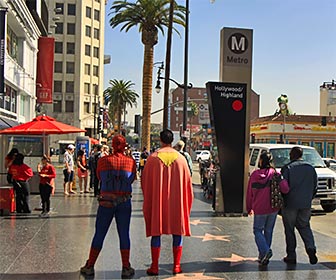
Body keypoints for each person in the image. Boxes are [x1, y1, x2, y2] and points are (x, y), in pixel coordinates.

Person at [80, 135, 137, 278]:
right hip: (124, 201)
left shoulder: (103, 161)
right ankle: (125, 266)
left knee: (99, 233)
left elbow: (99, 177)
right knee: (124, 233)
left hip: (106, 202)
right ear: (124, 146)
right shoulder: (130, 162)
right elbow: (132, 179)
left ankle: (90, 265)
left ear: (112, 145)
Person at [141, 129, 194, 275]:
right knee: (178, 232)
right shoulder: (181, 159)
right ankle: (176, 266)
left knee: (156, 233)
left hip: (158, 203)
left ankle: (155, 266)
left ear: (160, 140)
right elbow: (188, 184)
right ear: (172, 141)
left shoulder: (152, 158)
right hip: (176, 203)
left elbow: (145, 183)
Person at [246, 151, 289, 265]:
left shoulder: (255, 175)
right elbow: (285, 189)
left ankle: (265, 251)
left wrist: (248, 207)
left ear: (260, 161)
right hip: (273, 208)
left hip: (259, 208)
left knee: (257, 230)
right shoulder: (276, 173)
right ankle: (264, 255)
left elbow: (249, 193)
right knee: (268, 231)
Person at [280, 146, 318, 265]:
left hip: (290, 204)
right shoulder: (310, 168)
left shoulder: (287, 168)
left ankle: (291, 255)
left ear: (292, 155)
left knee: (289, 229)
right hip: (305, 203)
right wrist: (308, 198)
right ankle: (311, 248)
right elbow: (315, 187)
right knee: (305, 226)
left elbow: (283, 187)